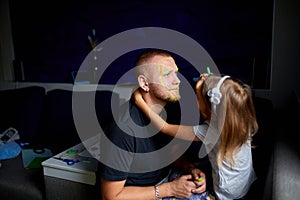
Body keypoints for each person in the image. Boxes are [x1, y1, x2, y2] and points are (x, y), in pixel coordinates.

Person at [100, 49, 210, 200]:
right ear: (144, 83)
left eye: (176, 73)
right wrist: (169, 189)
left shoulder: (171, 110)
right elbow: (110, 196)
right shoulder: (123, 129)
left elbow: (168, 154)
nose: (177, 80)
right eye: (166, 75)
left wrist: (190, 168)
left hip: (166, 179)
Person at [133, 73, 259, 200]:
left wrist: (139, 101)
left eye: (197, 98)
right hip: (243, 186)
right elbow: (227, 93)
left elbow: (165, 127)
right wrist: (206, 85)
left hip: (226, 193)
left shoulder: (211, 131)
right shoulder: (244, 121)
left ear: (212, 110)